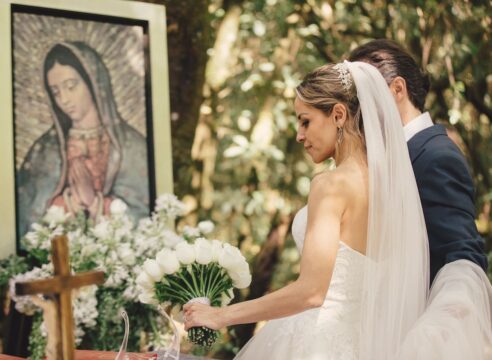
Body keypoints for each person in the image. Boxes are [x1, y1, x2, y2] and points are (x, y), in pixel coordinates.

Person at [183, 61, 431, 359]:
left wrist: (220, 315)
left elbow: (311, 292)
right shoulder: (391, 189)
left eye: (305, 121)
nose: (300, 135)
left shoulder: (331, 185)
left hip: (317, 344)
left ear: (338, 115)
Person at [348, 39, 488, 284]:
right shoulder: (380, 159)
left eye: (361, 98)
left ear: (398, 90)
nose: (355, 111)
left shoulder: (436, 157)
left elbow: (462, 258)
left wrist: (436, 322)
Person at [16, 42, 150, 237]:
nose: (64, 99)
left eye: (71, 86)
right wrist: (71, 203)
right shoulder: (44, 151)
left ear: (94, 83)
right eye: (55, 92)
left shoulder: (132, 146)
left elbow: (145, 218)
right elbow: (28, 220)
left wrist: (97, 204)